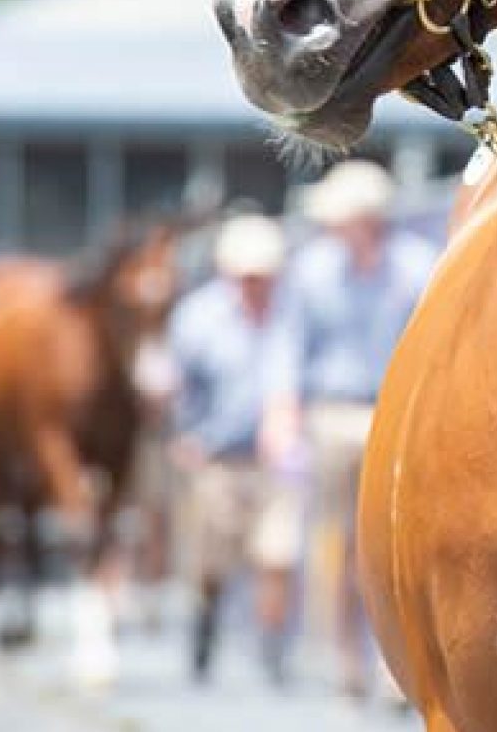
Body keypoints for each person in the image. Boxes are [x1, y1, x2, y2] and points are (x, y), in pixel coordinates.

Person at [261, 159, 439, 700]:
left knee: (396, 542)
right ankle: (347, 656)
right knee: (339, 542)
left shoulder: (417, 267)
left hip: (397, 413)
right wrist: (282, 413)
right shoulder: (313, 269)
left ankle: (394, 663)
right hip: (333, 414)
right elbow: (288, 345)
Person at [169, 213, 299, 684]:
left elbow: (295, 378)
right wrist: (186, 436)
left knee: (278, 554)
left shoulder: (290, 312)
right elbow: (183, 387)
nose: (258, 284)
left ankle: (272, 647)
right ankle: (206, 619)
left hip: (275, 458)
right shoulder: (198, 318)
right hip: (218, 457)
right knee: (212, 560)